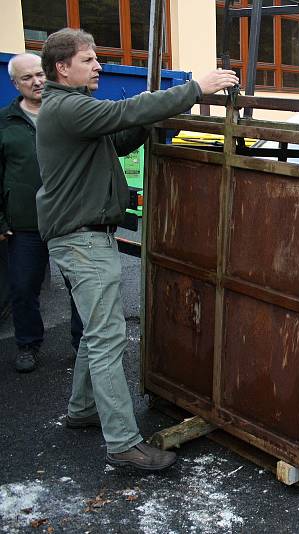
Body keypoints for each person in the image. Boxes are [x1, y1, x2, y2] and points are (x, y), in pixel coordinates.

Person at [36, 28, 238, 471]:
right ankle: (123, 445)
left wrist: (149, 118)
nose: (98, 67)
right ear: (62, 68)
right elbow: (123, 112)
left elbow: (120, 136)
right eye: (88, 61)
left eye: (96, 59)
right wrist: (193, 90)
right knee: (108, 340)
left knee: (96, 332)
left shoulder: (69, 110)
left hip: (85, 237)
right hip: (83, 241)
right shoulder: (67, 107)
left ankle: (83, 410)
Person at [1, 53, 83, 373]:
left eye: (40, 74)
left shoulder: (68, 113)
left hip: (67, 219)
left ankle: (81, 344)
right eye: (26, 78)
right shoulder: (4, 122)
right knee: (22, 287)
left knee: (79, 284)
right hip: (25, 223)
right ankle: (28, 345)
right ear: (15, 84)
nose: (36, 82)